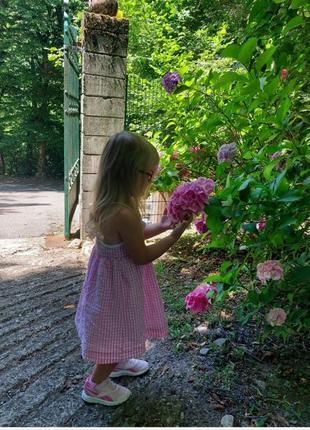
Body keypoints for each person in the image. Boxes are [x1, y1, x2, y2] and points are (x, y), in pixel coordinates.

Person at [75, 131, 191, 406]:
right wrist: (173, 236)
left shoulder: (115, 203)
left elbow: (137, 233)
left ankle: (118, 362)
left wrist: (162, 225)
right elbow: (141, 254)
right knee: (114, 329)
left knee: (120, 327)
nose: (151, 181)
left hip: (111, 284)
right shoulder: (122, 212)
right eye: (149, 175)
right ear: (130, 173)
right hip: (117, 287)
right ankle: (96, 384)